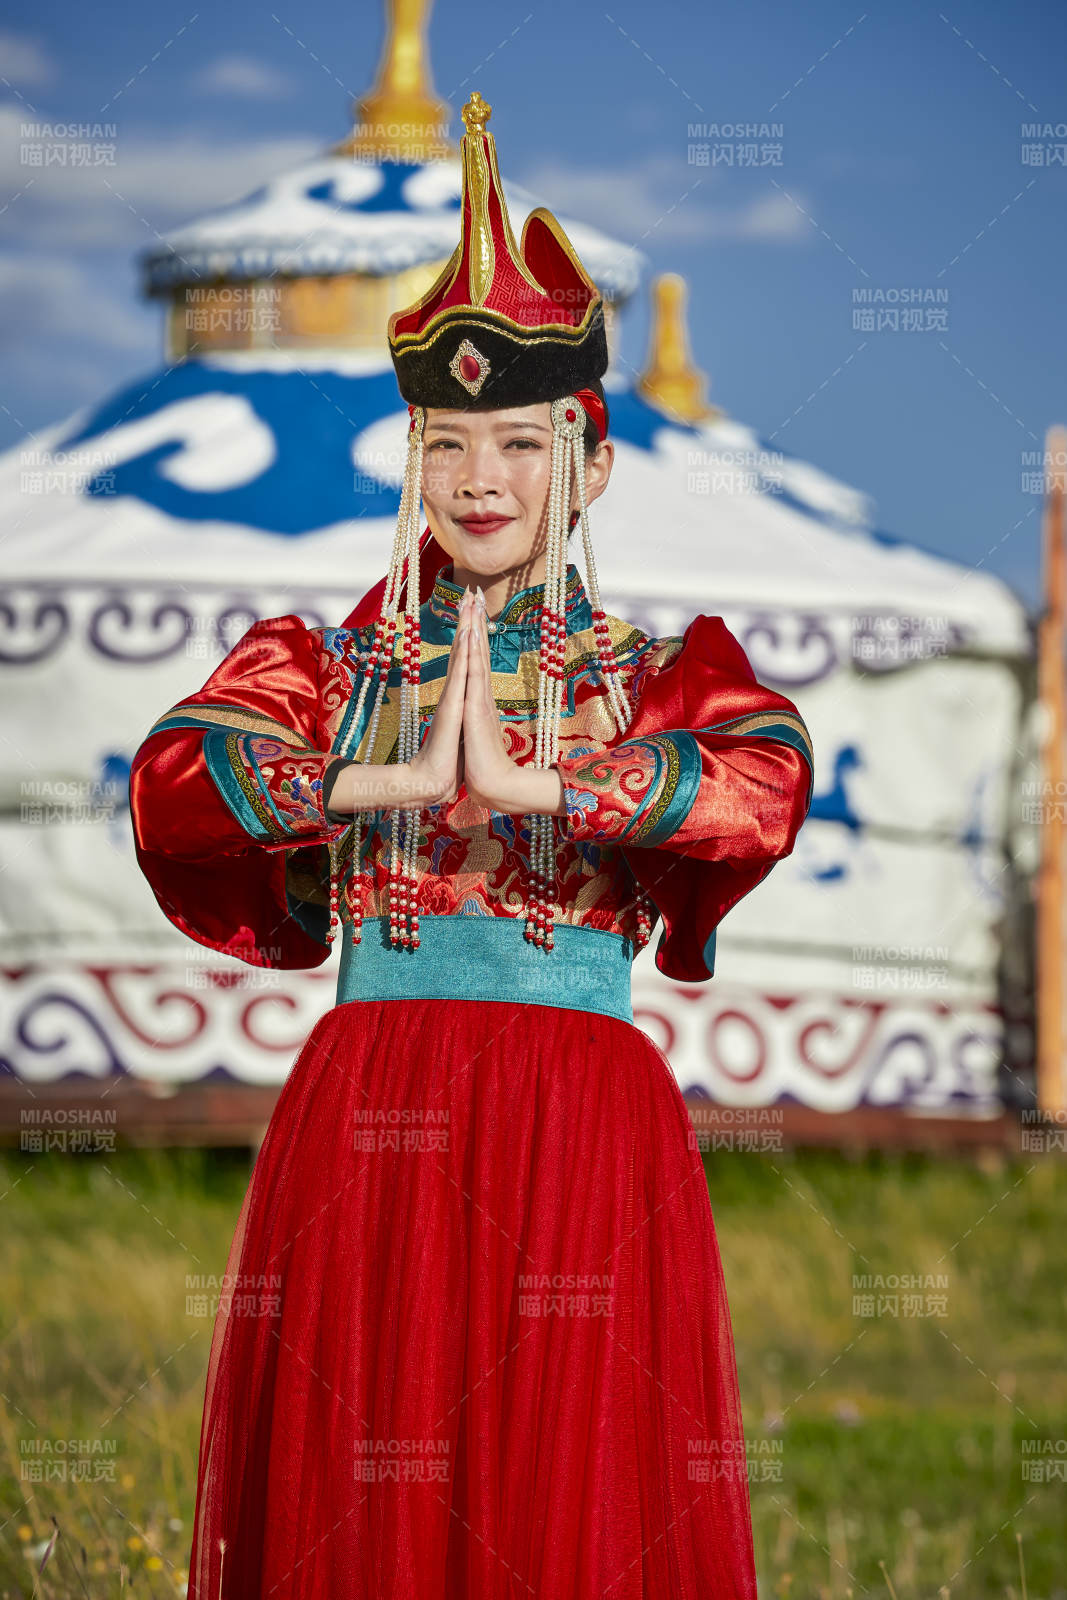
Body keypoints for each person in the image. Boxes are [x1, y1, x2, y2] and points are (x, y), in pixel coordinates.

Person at [129, 89, 814, 1600]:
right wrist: (365, 787)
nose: (483, 481)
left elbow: (764, 774)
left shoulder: (654, 671)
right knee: (358, 1464)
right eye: (447, 444)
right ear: (411, 460)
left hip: (580, 1121)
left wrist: (559, 789)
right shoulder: (331, 664)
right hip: (371, 1098)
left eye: (521, 441)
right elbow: (179, 773)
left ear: (592, 458)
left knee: (564, 1478)